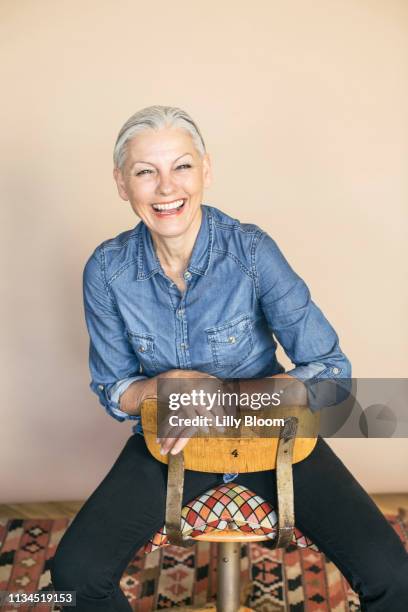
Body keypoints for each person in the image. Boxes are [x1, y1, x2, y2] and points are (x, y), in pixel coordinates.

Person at [50, 106, 408, 611]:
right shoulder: (107, 270)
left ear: (206, 171)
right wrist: (169, 386)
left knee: (396, 578)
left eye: (182, 166)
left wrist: (220, 397)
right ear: (121, 183)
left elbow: (333, 374)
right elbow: (115, 390)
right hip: (170, 445)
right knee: (71, 577)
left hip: (276, 435)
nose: (166, 187)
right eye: (145, 171)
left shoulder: (252, 252)